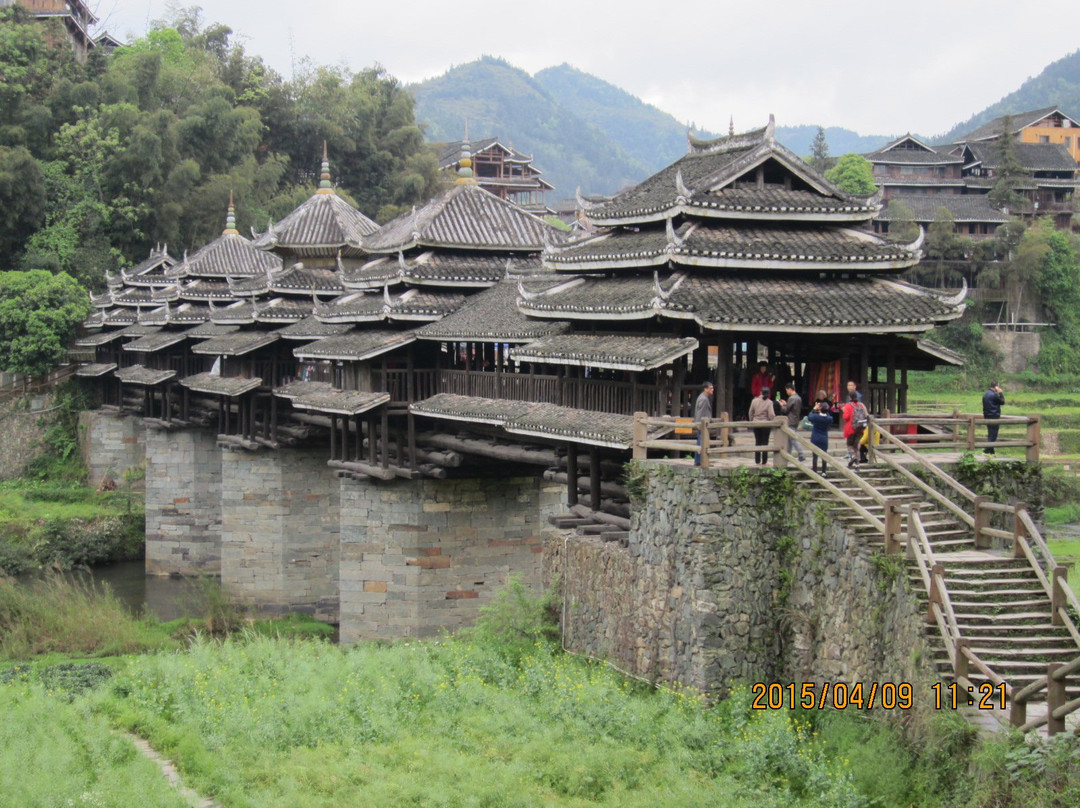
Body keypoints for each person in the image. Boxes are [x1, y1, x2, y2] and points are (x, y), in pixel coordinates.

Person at [841, 391, 868, 470]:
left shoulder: (848, 405)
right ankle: (857, 465)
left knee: (849, 445)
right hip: (860, 428)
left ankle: (853, 456)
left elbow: (846, 417)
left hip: (851, 428)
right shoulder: (861, 405)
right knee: (856, 447)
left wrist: (843, 411)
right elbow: (866, 415)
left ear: (850, 397)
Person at [749, 386, 775, 465]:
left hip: (756, 423)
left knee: (757, 441)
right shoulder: (769, 402)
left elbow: (750, 412)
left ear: (760, 392)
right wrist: (772, 420)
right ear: (769, 394)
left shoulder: (754, 401)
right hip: (766, 424)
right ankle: (764, 461)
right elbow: (771, 414)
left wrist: (752, 420)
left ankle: (757, 460)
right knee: (765, 442)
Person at [780, 382, 806, 462]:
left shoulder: (792, 398)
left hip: (791, 420)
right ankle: (788, 454)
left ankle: (801, 454)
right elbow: (791, 407)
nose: (786, 392)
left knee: (793, 439)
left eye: (787, 390)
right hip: (796, 419)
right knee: (790, 439)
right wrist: (786, 404)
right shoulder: (798, 397)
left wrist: (782, 405)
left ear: (790, 389)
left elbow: (786, 410)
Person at [807, 400, 833, 476]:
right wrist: (823, 409)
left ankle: (815, 470)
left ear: (820, 409)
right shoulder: (830, 418)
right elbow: (827, 415)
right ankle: (823, 471)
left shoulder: (815, 417)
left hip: (815, 437)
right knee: (824, 455)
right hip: (824, 437)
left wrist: (814, 408)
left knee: (815, 456)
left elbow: (809, 416)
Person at [694, 381, 714, 465]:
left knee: (701, 442)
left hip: (703, 423)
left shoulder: (703, 397)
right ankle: (701, 461)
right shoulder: (704, 399)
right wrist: (699, 424)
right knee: (702, 442)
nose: (712, 390)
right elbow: (700, 413)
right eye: (711, 388)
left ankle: (699, 461)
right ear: (706, 389)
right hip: (702, 424)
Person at [982, 381, 1005, 454]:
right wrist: (1001, 393)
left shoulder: (985, 394)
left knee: (990, 433)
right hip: (994, 416)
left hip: (987, 416)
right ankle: (986, 450)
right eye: (998, 386)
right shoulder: (994, 395)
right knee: (994, 434)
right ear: (996, 387)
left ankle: (991, 451)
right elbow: (1002, 402)